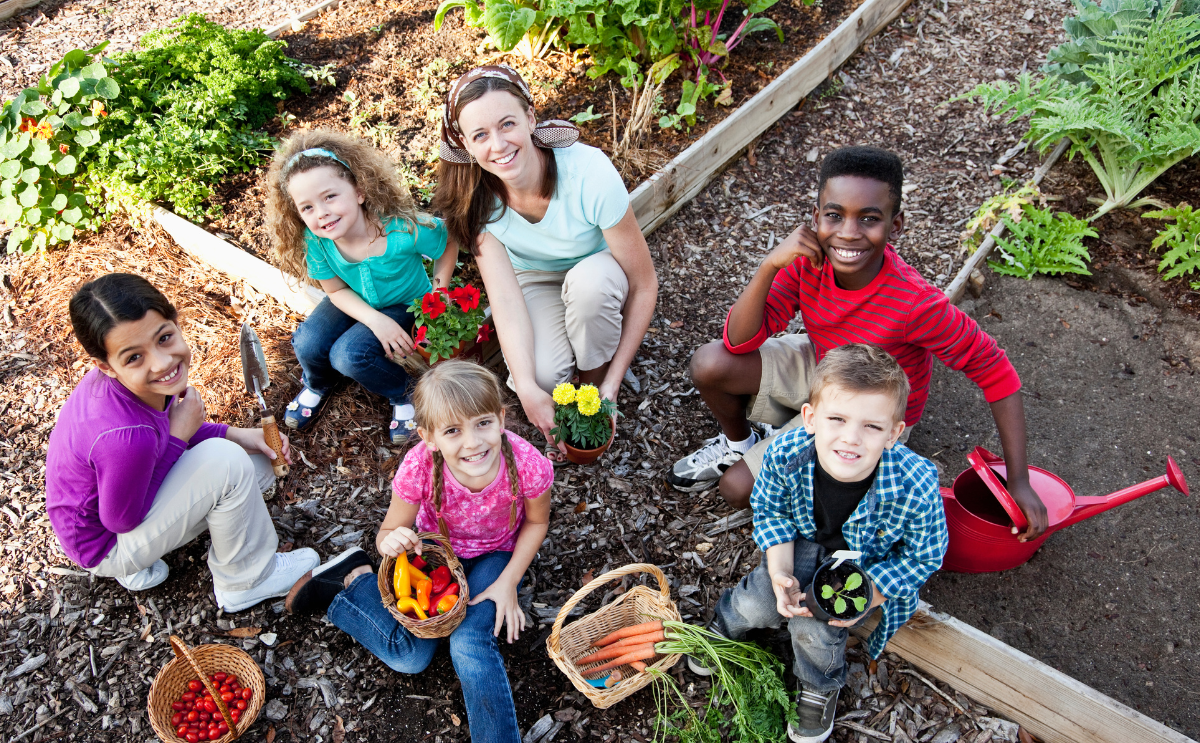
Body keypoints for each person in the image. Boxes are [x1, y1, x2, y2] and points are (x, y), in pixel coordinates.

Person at [668, 145, 1048, 540]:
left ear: (895, 226)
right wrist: (769, 266)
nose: (848, 232)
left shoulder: (914, 304)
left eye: (868, 219)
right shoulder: (806, 263)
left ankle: (822, 487)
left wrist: (1018, 480)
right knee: (710, 363)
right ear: (815, 219)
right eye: (834, 216)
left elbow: (995, 370)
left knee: (738, 489)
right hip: (824, 365)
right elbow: (738, 341)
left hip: (869, 402)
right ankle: (740, 443)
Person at [284, 360, 553, 743]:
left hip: (495, 555)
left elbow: (536, 524)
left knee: (470, 641)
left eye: (482, 423)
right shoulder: (419, 468)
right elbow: (389, 534)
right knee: (410, 658)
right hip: (432, 555)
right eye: (453, 430)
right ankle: (350, 587)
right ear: (429, 437)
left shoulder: (527, 463)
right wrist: (392, 542)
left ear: (502, 417)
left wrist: (507, 583)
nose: (472, 442)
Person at [694, 345, 948, 743]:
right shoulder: (784, 454)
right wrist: (779, 571)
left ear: (895, 433)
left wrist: (867, 595)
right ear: (810, 419)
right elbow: (772, 513)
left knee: (817, 628)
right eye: (837, 419)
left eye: (872, 426)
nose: (851, 438)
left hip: (864, 564)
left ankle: (818, 683)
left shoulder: (916, 483)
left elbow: (925, 554)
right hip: (801, 543)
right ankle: (727, 623)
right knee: (758, 600)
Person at [45, 274, 319, 611]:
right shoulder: (125, 438)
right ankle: (247, 580)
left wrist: (240, 435)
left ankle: (148, 560)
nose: (161, 363)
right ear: (106, 366)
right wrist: (180, 437)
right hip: (107, 544)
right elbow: (122, 520)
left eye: (164, 338)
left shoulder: (130, 387)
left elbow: (167, 433)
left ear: (175, 322)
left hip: (101, 512)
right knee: (229, 464)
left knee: (257, 464)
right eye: (134, 357)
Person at [433, 64, 657, 458]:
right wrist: (528, 387)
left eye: (507, 124)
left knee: (590, 291)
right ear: (466, 145)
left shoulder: (588, 173)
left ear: (530, 118)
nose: (498, 145)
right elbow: (504, 300)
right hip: (536, 279)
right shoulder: (476, 200)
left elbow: (643, 284)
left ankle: (592, 379)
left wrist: (612, 383)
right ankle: (572, 370)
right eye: (480, 135)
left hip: (599, 269)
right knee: (540, 378)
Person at [265, 129, 459, 444]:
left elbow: (448, 241)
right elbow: (336, 291)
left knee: (350, 355)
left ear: (359, 191)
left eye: (330, 196)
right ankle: (318, 383)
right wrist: (373, 319)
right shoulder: (316, 241)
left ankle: (404, 394)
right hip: (353, 299)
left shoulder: (400, 230)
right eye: (307, 207)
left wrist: (439, 291)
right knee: (307, 342)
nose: (322, 213)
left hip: (404, 303)